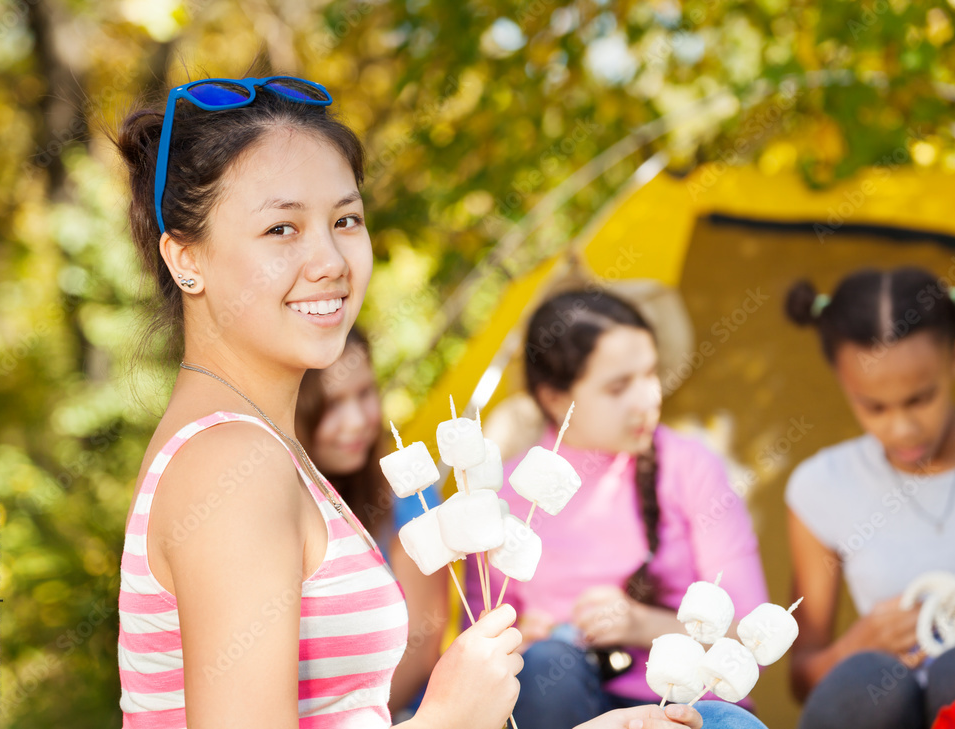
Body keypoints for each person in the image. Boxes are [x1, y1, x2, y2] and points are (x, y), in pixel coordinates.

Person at [113, 73, 709, 729]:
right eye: (282, 228)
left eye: (345, 219)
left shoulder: (266, 451)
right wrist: (448, 716)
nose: (330, 260)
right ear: (185, 258)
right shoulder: (231, 464)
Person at [469, 289, 770, 729]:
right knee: (546, 667)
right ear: (554, 398)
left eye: (650, 374)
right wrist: (514, 646)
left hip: (689, 709)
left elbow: (753, 640)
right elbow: (472, 660)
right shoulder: (507, 498)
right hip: (565, 707)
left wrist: (641, 623)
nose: (647, 399)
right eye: (618, 386)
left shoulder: (690, 467)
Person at [784, 267, 955, 729]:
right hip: (884, 706)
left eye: (920, 399)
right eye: (874, 407)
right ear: (843, 383)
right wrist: (855, 646)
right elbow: (803, 678)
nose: (902, 429)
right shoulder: (821, 486)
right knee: (867, 678)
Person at [296, 327, 446, 716]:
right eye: (331, 405)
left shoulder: (409, 497)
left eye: (365, 393)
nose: (356, 421)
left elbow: (422, 643)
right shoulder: (272, 509)